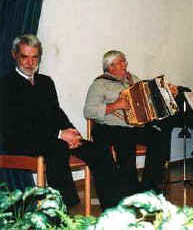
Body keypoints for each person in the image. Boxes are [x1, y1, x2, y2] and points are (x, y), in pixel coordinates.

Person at [0, 34, 134, 210]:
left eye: (35, 57)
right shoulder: (6, 84)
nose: (30, 63)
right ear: (14, 55)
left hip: (53, 138)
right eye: (25, 57)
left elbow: (57, 112)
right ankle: (65, 209)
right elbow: (16, 124)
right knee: (58, 148)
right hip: (20, 140)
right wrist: (60, 135)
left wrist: (72, 132)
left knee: (99, 151)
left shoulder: (45, 82)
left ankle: (113, 208)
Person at [84, 50, 178, 193]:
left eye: (125, 61)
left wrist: (167, 93)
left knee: (159, 136)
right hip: (108, 127)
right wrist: (115, 105)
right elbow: (89, 111)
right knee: (125, 139)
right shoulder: (99, 85)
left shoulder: (133, 79)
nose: (125, 64)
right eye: (121, 62)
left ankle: (149, 185)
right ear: (110, 66)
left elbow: (149, 99)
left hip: (134, 126)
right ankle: (130, 188)